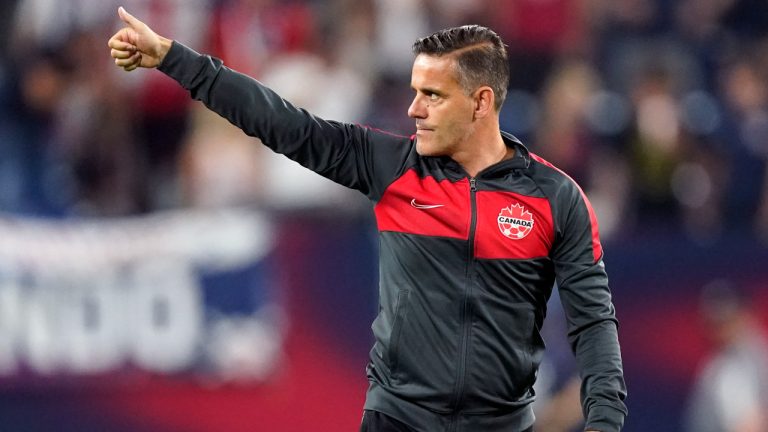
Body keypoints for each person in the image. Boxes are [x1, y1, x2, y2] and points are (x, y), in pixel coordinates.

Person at [108, 7, 627, 431]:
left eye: (433, 95)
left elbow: (594, 322)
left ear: (481, 103)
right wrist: (175, 59)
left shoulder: (556, 199)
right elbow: (282, 123)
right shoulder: (392, 167)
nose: (414, 110)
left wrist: (605, 423)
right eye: (415, 92)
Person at [685, 279, 768, 432]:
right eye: (713, 321)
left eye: (725, 320)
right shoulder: (756, 352)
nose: (718, 329)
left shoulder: (732, 367)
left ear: (744, 315)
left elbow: (748, 427)